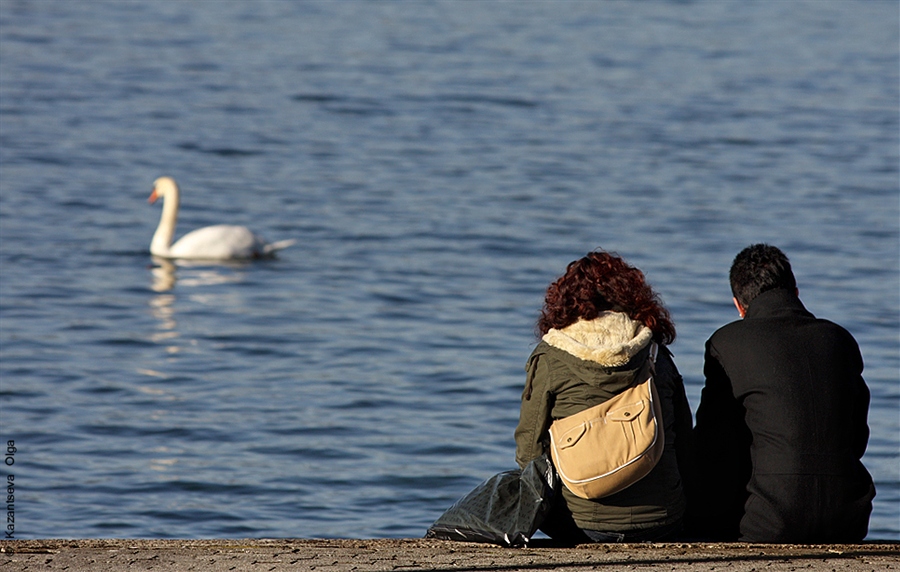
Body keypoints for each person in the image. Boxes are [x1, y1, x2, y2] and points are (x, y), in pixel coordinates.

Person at [688, 244, 875, 542]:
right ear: (796, 292)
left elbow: (715, 450)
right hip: (849, 519)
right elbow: (857, 437)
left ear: (739, 306)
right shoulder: (840, 339)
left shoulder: (727, 343)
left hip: (767, 521)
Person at [514, 250, 693, 543]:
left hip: (582, 524)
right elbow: (684, 441)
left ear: (564, 302)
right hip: (663, 520)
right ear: (633, 296)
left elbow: (529, 453)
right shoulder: (655, 353)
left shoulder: (549, 357)